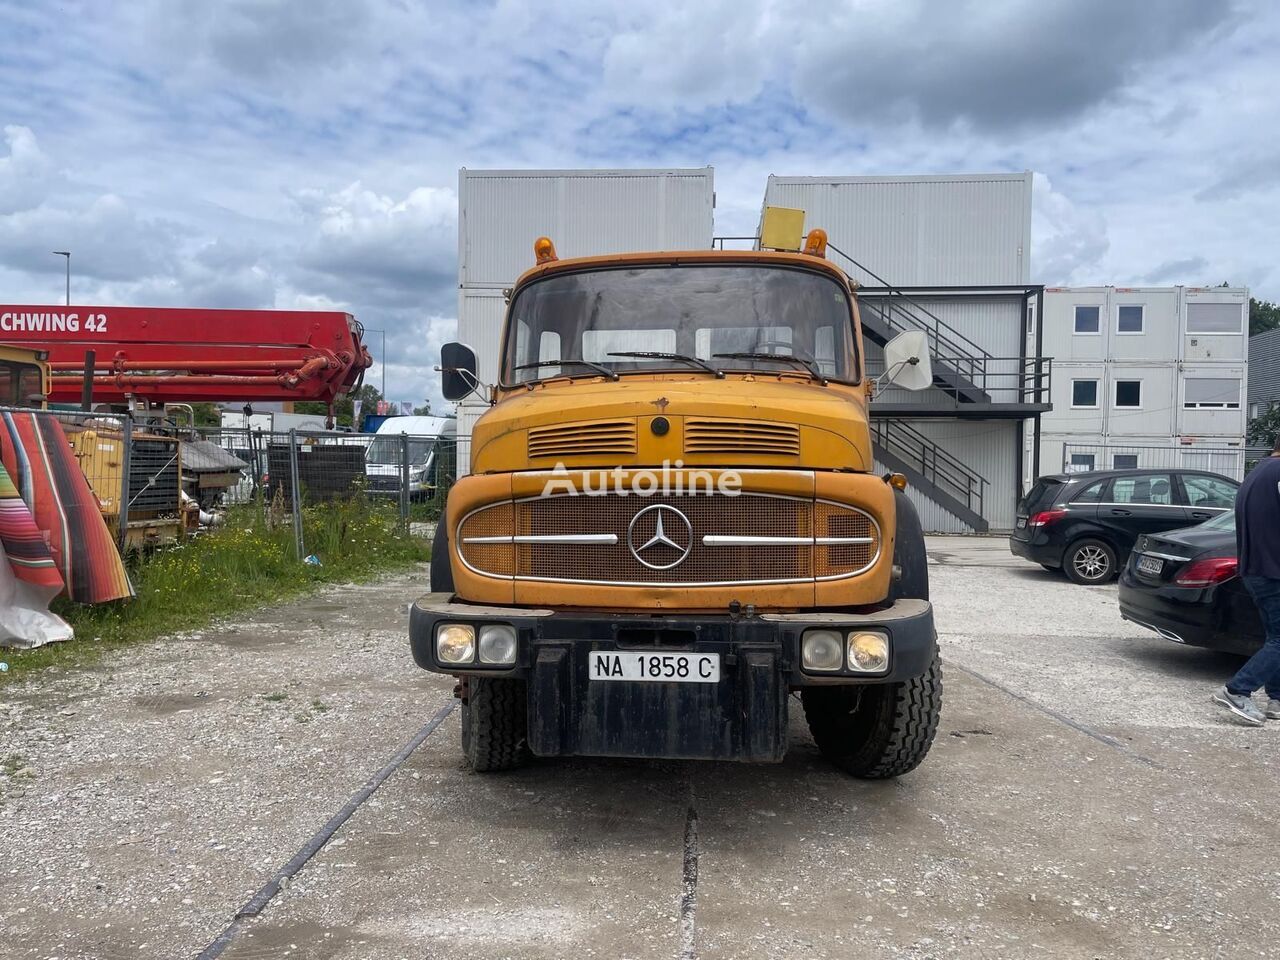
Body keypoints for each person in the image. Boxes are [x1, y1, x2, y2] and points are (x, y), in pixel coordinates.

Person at [1212, 435, 1280, 725]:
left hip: (1255, 569)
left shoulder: (1258, 473)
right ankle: (1238, 690)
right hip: (1274, 571)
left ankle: (1276, 699)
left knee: (1275, 637)